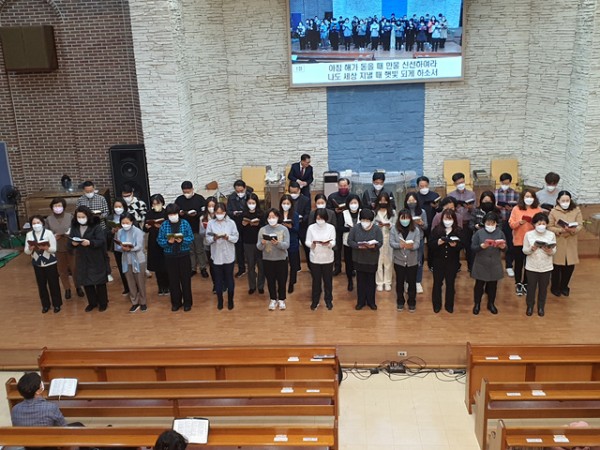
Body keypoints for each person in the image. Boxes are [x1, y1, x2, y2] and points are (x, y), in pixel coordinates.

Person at [69, 205, 109, 312]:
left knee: (99, 281)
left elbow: (101, 241)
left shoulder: (96, 226)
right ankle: (92, 302)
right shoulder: (75, 227)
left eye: (83, 217)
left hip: (95, 257)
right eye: (78, 217)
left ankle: (103, 302)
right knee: (86, 280)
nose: (80, 219)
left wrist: (90, 242)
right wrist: (73, 243)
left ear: (88, 216)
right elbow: (70, 241)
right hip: (82, 257)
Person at [157, 203, 194, 312]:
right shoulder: (164, 225)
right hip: (170, 256)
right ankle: (176, 302)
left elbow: (190, 237)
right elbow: (159, 240)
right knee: (173, 280)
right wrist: (168, 242)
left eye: (174, 214)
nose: (173, 216)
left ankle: (187, 302)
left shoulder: (185, 223)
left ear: (178, 213)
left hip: (183, 255)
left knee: (185, 280)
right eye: (170, 214)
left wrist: (182, 240)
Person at [548, 191, 583, 297]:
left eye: (567, 200)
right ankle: (555, 287)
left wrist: (573, 230)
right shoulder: (553, 211)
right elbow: (549, 226)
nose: (565, 202)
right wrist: (561, 230)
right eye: (563, 200)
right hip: (559, 240)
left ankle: (564, 286)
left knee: (569, 266)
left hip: (571, 241)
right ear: (558, 200)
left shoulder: (576, 210)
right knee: (556, 266)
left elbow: (580, 225)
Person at [24, 215, 62, 313]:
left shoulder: (48, 233)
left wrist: (46, 248)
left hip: (50, 262)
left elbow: (54, 249)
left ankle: (57, 304)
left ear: (42, 223)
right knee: (41, 285)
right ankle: (45, 305)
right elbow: (26, 251)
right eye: (34, 223)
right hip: (37, 263)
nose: (36, 225)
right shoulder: (29, 234)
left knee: (53, 284)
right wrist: (30, 248)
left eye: (38, 223)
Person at [45, 198, 82, 299]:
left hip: (71, 246)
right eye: (55, 206)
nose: (57, 208)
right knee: (62, 270)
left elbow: (76, 230)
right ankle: (67, 289)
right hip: (57, 247)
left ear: (63, 207)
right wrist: (53, 237)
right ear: (52, 207)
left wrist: (70, 234)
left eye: (59, 206)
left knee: (75, 268)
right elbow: (46, 234)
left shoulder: (70, 216)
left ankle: (78, 286)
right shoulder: (49, 219)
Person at [509, 189, 543, 296]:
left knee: (529, 264)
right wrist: (520, 222)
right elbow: (511, 224)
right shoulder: (516, 209)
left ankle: (526, 283)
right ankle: (518, 283)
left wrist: (533, 223)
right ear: (522, 198)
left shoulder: (538, 209)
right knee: (518, 263)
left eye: (531, 196)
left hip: (532, 241)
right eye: (527, 196)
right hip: (519, 240)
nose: (529, 199)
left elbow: (542, 225)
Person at [347, 209, 383, 310]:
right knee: (360, 281)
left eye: (367, 220)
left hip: (372, 259)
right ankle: (361, 301)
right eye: (363, 220)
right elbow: (350, 241)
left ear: (371, 220)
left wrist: (374, 246)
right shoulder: (355, 228)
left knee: (371, 281)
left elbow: (380, 242)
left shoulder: (376, 229)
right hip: (359, 258)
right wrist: (358, 246)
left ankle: (371, 301)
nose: (365, 222)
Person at [471, 212, 506, 315]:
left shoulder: (500, 233)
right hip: (481, 263)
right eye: (488, 223)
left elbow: (506, 248)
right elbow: (472, 248)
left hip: (495, 263)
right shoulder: (479, 233)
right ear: (484, 223)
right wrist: (481, 247)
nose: (490, 225)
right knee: (479, 286)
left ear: (496, 223)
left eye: (492, 223)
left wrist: (503, 247)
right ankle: (477, 304)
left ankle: (491, 303)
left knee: (493, 286)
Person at [205, 203, 239, 310]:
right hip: (216, 255)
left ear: (225, 212)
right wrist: (214, 238)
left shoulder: (231, 223)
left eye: (221, 212)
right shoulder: (211, 223)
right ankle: (220, 301)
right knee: (218, 279)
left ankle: (230, 300)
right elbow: (207, 239)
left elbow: (236, 238)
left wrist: (228, 237)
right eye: (217, 212)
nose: (219, 214)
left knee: (229, 278)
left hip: (228, 255)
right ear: (215, 213)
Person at [429, 209, 463, 313]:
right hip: (438, 261)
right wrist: (438, 243)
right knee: (437, 283)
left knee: (450, 284)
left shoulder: (458, 230)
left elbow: (463, 245)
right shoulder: (436, 230)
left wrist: (455, 245)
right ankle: (437, 305)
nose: (447, 221)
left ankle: (449, 305)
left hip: (452, 262)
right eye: (445, 218)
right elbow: (430, 245)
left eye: (450, 218)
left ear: (454, 219)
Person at [523, 213, 557, 316]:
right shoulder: (528, 234)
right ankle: (530, 306)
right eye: (539, 223)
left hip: (546, 267)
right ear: (534, 224)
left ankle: (541, 307)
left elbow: (554, 251)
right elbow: (524, 250)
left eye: (543, 223)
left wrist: (549, 250)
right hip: (532, 266)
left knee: (543, 288)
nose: (541, 225)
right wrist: (531, 249)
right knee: (531, 288)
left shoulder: (551, 235)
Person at [257, 208, 290, 311]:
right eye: (269, 217)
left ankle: (282, 299)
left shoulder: (284, 229)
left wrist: (278, 243)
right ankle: (273, 299)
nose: (271, 219)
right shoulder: (262, 230)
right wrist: (262, 243)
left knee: (282, 280)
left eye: (273, 217)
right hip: (267, 259)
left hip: (281, 259)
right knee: (270, 280)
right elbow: (258, 247)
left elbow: (287, 245)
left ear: (278, 217)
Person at [389, 209, 421, 312]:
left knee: (412, 283)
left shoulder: (416, 230)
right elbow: (391, 243)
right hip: (399, 261)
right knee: (399, 282)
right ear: (399, 218)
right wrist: (400, 245)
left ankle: (412, 302)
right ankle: (400, 301)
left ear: (410, 218)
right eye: (403, 218)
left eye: (407, 217)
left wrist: (411, 246)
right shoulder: (394, 229)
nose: (405, 220)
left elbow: (417, 244)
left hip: (412, 261)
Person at [175, 181, 208, 278]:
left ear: (192, 189)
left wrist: (196, 214)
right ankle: (193, 268)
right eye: (184, 192)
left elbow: (204, 212)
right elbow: (175, 211)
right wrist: (180, 213)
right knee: (190, 250)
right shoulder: (179, 200)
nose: (186, 193)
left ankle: (203, 268)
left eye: (188, 191)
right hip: (184, 229)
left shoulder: (200, 199)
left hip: (197, 228)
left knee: (200, 250)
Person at [305, 208, 336, 310]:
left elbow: (334, 241)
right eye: (318, 218)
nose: (320, 220)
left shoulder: (331, 228)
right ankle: (315, 301)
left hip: (327, 258)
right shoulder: (311, 228)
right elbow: (307, 241)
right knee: (316, 281)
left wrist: (329, 244)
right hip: (315, 258)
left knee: (328, 281)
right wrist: (312, 244)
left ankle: (328, 300)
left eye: (321, 218)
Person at [117, 212, 147, 312]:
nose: (125, 225)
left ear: (132, 222)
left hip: (138, 259)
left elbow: (140, 246)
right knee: (130, 282)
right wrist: (122, 247)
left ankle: (143, 302)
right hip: (126, 260)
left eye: (127, 223)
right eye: (123, 223)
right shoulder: (120, 232)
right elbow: (117, 246)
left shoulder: (137, 231)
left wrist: (130, 248)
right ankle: (134, 302)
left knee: (140, 282)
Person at [448, 172, 476, 270]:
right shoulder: (450, 195)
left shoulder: (471, 194)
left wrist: (470, 208)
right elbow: (448, 210)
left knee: (469, 247)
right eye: (458, 183)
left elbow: (475, 210)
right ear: (454, 184)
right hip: (455, 224)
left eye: (462, 182)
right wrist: (455, 207)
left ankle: (471, 267)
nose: (461, 184)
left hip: (467, 223)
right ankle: (456, 266)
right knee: (455, 245)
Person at [494, 172, 520, 278]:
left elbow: (519, 208)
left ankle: (509, 265)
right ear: (500, 182)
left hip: (510, 221)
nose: (506, 185)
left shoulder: (515, 194)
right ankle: (496, 265)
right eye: (504, 183)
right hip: (499, 221)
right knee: (497, 242)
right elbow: (492, 206)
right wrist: (497, 207)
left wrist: (512, 208)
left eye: (507, 183)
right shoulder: (495, 193)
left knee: (510, 244)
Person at [144, 194, 169, 296]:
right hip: (153, 240)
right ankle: (160, 286)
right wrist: (147, 226)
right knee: (157, 265)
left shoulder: (166, 213)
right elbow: (145, 228)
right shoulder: (149, 213)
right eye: (153, 204)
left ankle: (167, 286)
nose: (156, 206)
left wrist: (161, 226)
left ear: (162, 203)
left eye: (157, 203)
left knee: (165, 264)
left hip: (165, 239)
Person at [327, 178, 352, 276]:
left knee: (349, 248)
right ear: (337, 186)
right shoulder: (332, 197)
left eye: (345, 186)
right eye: (341, 186)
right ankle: (337, 267)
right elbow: (328, 210)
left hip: (349, 225)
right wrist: (335, 210)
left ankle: (350, 268)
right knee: (337, 248)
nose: (343, 187)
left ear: (348, 186)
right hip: (336, 225)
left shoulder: (352, 196)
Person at [241, 193, 265, 295]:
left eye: (253, 203)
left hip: (259, 242)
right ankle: (252, 286)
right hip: (248, 243)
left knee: (261, 265)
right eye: (249, 203)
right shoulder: (243, 214)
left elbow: (264, 227)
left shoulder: (261, 214)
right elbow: (240, 230)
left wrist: (258, 224)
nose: (251, 204)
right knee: (250, 265)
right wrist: (243, 225)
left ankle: (261, 285)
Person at [405, 192, 428, 293]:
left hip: (419, 239)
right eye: (409, 200)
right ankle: (407, 282)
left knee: (418, 261)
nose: (411, 202)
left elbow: (426, 226)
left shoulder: (422, 212)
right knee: (407, 261)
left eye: (413, 200)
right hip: (406, 239)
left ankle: (418, 282)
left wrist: (421, 223)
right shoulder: (404, 212)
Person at [226, 180, 249, 277]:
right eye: (237, 191)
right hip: (236, 225)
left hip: (248, 225)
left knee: (249, 249)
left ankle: (252, 269)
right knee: (239, 249)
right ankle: (241, 268)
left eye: (241, 191)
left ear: (245, 188)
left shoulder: (250, 196)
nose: (239, 193)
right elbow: (228, 211)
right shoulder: (231, 197)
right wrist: (233, 213)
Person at [280, 194, 301, 292]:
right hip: (281, 242)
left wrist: (290, 226)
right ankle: (282, 282)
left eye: (288, 203)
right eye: (284, 203)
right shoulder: (278, 214)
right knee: (282, 264)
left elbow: (297, 229)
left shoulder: (295, 215)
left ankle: (292, 282)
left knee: (293, 264)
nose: (285, 205)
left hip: (292, 242)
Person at [109, 198, 130, 296]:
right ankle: (126, 287)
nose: (117, 208)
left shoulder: (128, 216)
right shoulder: (110, 217)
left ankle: (133, 287)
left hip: (128, 245)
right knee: (121, 268)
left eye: (120, 206)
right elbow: (106, 232)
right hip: (117, 246)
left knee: (130, 267)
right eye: (116, 206)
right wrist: (112, 231)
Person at [374, 192, 395, 291]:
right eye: (381, 200)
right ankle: (379, 282)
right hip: (377, 239)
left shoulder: (393, 212)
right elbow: (371, 225)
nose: (383, 202)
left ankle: (387, 282)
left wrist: (389, 225)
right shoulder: (374, 212)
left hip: (389, 238)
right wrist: (377, 226)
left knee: (388, 261)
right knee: (378, 261)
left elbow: (396, 226)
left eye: (385, 200)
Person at [289, 181, 311, 269]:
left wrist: (301, 219)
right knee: (294, 248)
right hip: (291, 227)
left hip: (302, 226)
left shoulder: (306, 200)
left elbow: (307, 213)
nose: (293, 194)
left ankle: (310, 266)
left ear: (299, 190)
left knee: (307, 247)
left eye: (295, 192)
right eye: (291, 192)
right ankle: (296, 267)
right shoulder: (287, 199)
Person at [342, 194, 361, 291]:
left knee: (359, 262)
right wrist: (348, 228)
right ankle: (350, 280)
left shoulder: (362, 212)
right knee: (348, 262)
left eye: (355, 202)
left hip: (360, 242)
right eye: (351, 203)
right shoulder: (344, 213)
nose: (354, 205)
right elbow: (339, 227)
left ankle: (360, 281)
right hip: (348, 241)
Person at [201, 196, 218, 292]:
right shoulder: (203, 218)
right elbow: (201, 232)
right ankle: (215, 284)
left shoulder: (220, 216)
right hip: (208, 244)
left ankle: (222, 283)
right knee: (212, 265)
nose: (211, 208)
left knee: (220, 265)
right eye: (209, 206)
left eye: (213, 206)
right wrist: (208, 230)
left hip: (219, 244)